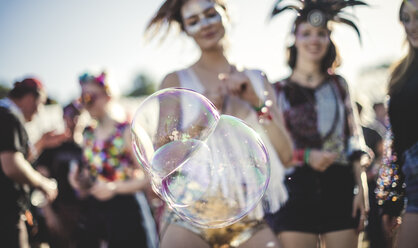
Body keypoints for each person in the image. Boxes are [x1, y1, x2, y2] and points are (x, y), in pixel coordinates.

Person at [146, 0, 293, 247]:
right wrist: (206, 116)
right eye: (193, 21)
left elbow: (287, 155)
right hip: (191, 210)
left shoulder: (257, 79)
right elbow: (162, 155)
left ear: (226, 14)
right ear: (185, 29)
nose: (204, 25)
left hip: (248, 212)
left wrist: (256, 102)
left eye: (210, 14)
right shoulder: (175, 80)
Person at [266, 1, 370, 247]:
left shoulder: (339, 85)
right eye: (307, 33)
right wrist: (306, 156)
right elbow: (272, 148)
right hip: (294, 189)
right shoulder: (277, 90)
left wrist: (361, 189)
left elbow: (354, 139)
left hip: (340, 186)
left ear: (329, 39)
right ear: (295, 38)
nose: (314, 40)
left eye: (321, 34)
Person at [69, 72, 158, 248]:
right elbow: (92, 172)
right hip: (97, 215)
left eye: (89, 97)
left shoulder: (126, 131)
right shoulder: (88, 135)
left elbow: (152, 175)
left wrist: (114, 187)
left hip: (128, 212)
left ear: (108, 96)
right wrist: (79, 181)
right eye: (82, 98)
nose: (85, 104)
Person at [376, 1, 418, 247]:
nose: (412, 26)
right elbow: (397, 141)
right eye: (406, 18)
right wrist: (392, 198)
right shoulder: (400, 73)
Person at [0, 78, 59, 248]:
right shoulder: (9, 117)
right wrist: (44, 184)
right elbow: (12, 166)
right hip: (7, 213)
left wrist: (42, 143)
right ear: (29, 98)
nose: (39, 111)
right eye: (40, 104)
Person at [33, 102, 84, 248]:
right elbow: (40, 180)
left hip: (84, 212)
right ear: (63, 117)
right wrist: (48, 213)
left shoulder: (88, 147)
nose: (73, 120)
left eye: (77, 115)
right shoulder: (54, 147)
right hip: (58, 210)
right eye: (69, 115)